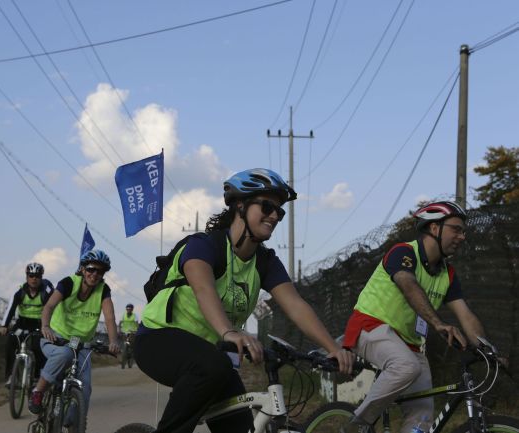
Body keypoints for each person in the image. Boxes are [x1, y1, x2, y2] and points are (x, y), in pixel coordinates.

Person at [134, 168, 354, 433]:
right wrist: (229, 331)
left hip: (209, 353)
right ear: (240, 205)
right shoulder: (204, 246)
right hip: (159, 339)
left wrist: (333, 347)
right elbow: (204, 288)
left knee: (240, 425)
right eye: (267, 206)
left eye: (279, 211)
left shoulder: (265, 261)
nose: (274, 215)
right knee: (212, 366)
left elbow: (296, 305)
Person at [340, 201, 499, 433]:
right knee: (407, 367)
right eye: (456, 229)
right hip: (369, 326)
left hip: (409, 344)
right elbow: (408, 283)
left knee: (422, 416)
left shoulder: (448, 273)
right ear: (434, 228)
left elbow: (465, 315)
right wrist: (438, 323)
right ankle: (355, 426)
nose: (462, 236)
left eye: (463, 231)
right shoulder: (404, 252)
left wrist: (488, 350)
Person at [28, 249, 120, 426]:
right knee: (64, 355)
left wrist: (113, 341)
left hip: (82, 344)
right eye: (91, 269)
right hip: (56, 337)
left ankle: (71, 424)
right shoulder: (68, 283)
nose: (94, 274)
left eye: (99, 271)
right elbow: (48, 307)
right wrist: (45, 327)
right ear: (83, 269)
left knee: (85, 389)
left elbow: (109, 317)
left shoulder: (103, 290)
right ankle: (38, 392)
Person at [0, 262, 54, 386]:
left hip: (39, 324)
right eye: (31, 276)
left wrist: (49, 327)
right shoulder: (20, 291)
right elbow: (11, 309)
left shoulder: (45, 292)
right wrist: (4, 325)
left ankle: (37, 376)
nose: (34, 279)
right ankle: (11, 376)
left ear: (41, 277)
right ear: (26, 277)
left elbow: (52, 309)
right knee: (10, 342)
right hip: (22, 323)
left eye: (37, 276)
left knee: (38, 346)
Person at [119, 303, 139, 369]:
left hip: (132, 332)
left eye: (130, 309)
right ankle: (123, 356)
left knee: (131, 345)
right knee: (124, 344)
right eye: (127, 309)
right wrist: (119, 330)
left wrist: (137, 330)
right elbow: (120, 323)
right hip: (124, 332)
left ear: (132, 309)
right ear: (126, 309)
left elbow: (136, 323)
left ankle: (131, 355)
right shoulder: (123, 315)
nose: (128, 310)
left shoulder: (134, 316)